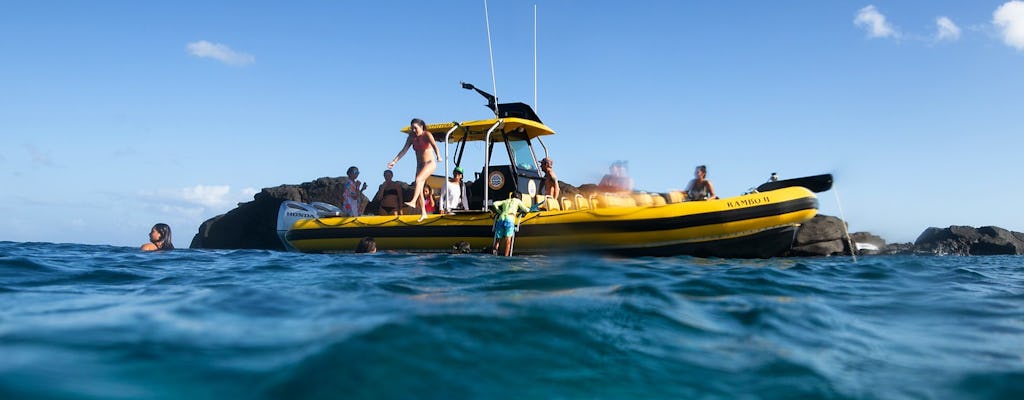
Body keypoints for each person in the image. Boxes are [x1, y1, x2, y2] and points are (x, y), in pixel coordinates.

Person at [388, 118, 442, 222]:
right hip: (420, 165)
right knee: (420, 189)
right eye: (412, 128)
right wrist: (394, 161)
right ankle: (423, 213)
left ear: (421, 127)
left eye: (415, 128)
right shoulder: (411, 137)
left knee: (418, 180)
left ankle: (413, 201)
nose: (413, 130)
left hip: (430, 163)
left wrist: (439, 156)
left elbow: (435, 145)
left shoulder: (427, 134)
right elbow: (403, 150)